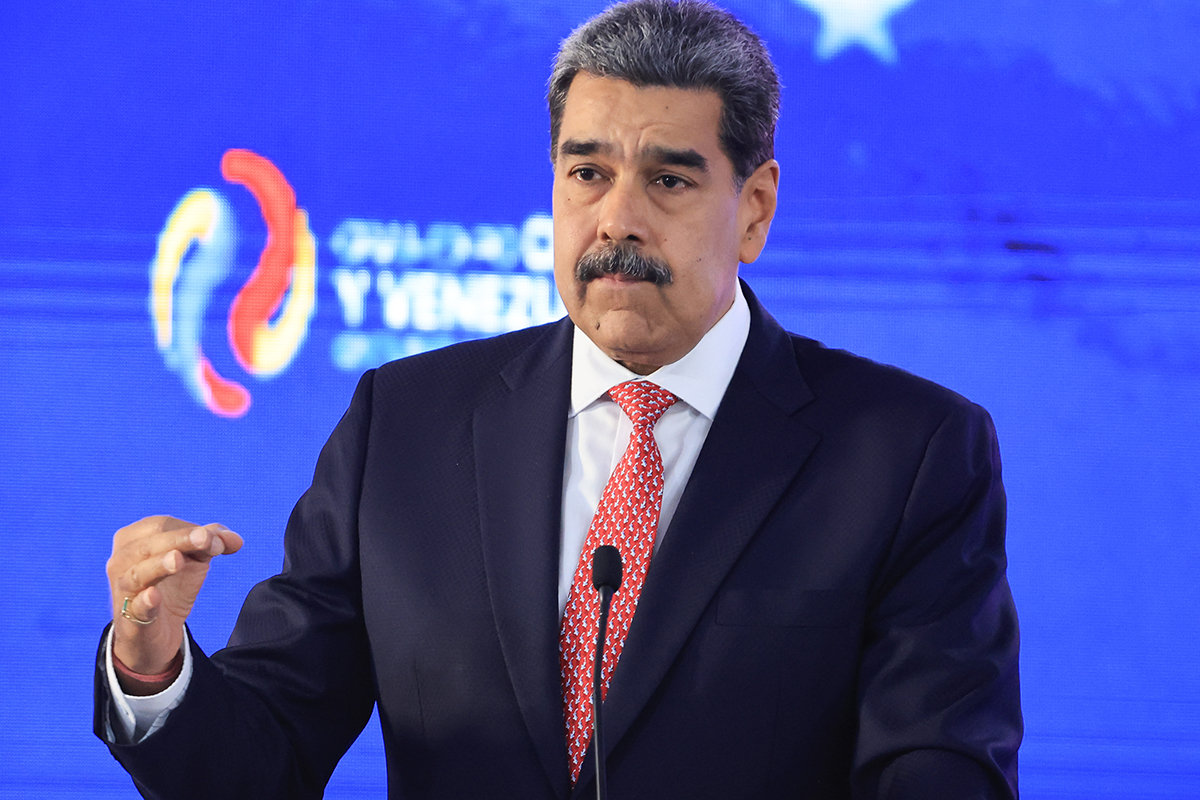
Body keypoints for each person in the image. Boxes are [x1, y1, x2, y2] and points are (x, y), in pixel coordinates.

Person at [96, 1, 1021, 797]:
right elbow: (263, 757)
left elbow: (937, 766)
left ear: (755, 209)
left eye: (668, 179)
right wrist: (154, 665)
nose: (618, 218)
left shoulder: (909, 453)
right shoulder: (405, 426)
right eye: (588, 174)